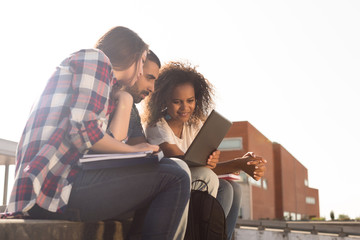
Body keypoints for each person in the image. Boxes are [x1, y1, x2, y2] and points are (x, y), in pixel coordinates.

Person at [3, 26, 190, 240]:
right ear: (133, 56)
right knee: (175, 177)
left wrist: (125, 102)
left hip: (60, 187)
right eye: (142, 62)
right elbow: (84, 133)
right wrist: (133, 149)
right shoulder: (96, 60)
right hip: (51, 190)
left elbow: (105, 143)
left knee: (170, 167)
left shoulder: (104, 85)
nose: (141, 73)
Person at [143, 61, 267, 239]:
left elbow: (202, 167)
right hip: (168, 188)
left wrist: (225, 162)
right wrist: (238, 163)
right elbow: (183, 163)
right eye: (177, 101)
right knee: (213, 179)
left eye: (190, 101)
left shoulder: (195, 126)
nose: (185, 108)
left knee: (232, 189)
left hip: (194, 183)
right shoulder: (157, 127)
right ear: (164, 100)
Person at [110, 50, 219, 237]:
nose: (152, 87)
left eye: (190, 100)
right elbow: (113, 144)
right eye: (149, 78)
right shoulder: (154, 124)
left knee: (227, 188)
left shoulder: (133, 112)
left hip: (139, 176)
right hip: (120, 181)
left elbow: (139, 147)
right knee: (182, 172)